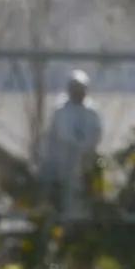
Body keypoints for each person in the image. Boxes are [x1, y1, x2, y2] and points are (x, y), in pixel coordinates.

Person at [40, 69, 102, 221]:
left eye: (80, 88)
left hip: (84, 165)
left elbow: (96, 134)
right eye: (74, 88)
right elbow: (59, 135)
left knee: (83, 199)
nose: (78, 92)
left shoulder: (92, 112)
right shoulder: (61, 110)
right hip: (62, 164)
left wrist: (86, 149)